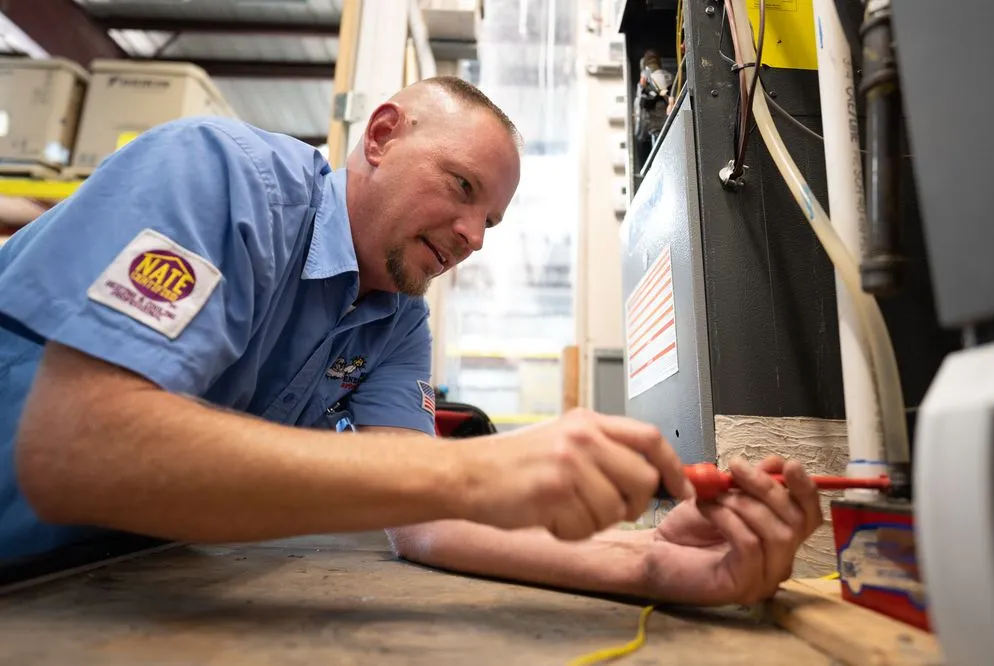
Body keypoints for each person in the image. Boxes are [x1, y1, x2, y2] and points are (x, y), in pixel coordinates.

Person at [0, 76, 822, 606]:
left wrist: (655, 567)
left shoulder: (395, 317)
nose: (472, 236)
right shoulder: (217, 176)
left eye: (490, 221)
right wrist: (475, 467)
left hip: (78, 584)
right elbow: (79, 448)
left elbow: (426, 521)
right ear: (384, 134)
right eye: (461, 188)